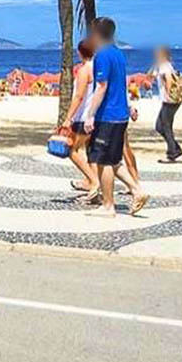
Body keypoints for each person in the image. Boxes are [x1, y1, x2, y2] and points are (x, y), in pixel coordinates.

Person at [83, 17, 148, 216]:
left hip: (107, 116)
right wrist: (128, 106)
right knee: (113, 160)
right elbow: (120, 84)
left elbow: (102, 87)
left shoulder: (102, 56)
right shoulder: (119, 55)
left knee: (103, 162)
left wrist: (90, 115)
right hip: (120, 116)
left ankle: (108, 205)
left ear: (96, 34)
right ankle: (137, 190)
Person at [62, 39, 99, 197]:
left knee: (72, 150)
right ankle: (92, 183)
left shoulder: (84, 70)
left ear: (80, 53)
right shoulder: (99, 68)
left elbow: (78, 96)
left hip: (83, 117)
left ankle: (94, 182)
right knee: (92, 153)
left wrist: (68, 118)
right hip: (95, 116)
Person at [153, 45, 182, 162]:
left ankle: (172, 153)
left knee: (165, 126)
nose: (155, 55)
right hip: (169, 100)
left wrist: (168, 94)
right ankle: (175, 148)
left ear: (163, 55)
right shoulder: (162, 65)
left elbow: (169, 80)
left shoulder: (164, 66)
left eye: (157, 53)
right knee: (159, 126)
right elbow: (149, 75)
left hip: (169, 100)